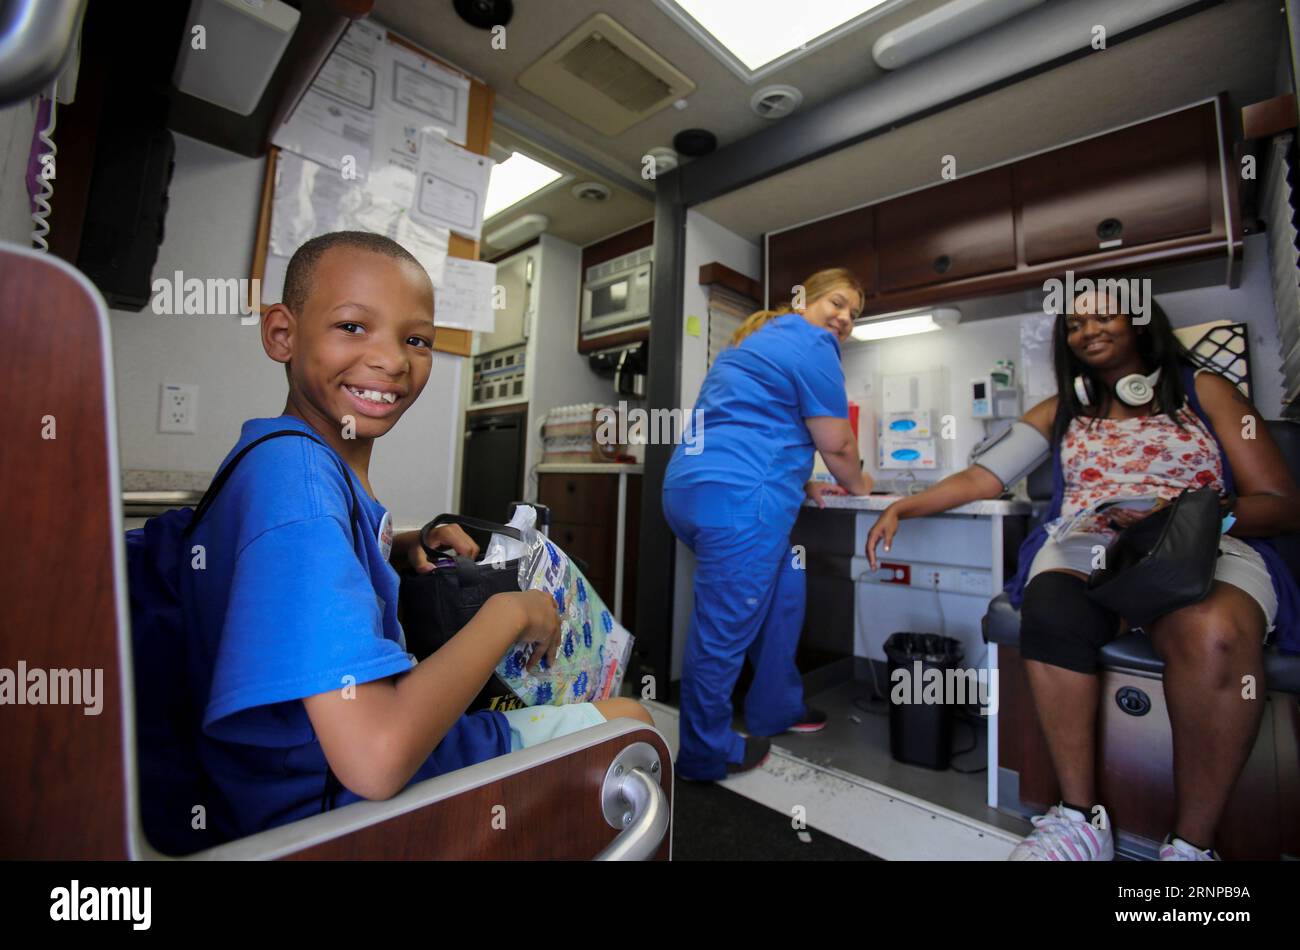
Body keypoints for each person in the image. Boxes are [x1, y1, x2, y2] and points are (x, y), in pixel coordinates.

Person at [177, 231, 651, 843]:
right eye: (352, 326)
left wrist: (389, 544)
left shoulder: (280, 457)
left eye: (416, 339)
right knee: (632, 722)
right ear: (282, 333)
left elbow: (295, 562)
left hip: (262, 772)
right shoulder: (303, 489)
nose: (393, 360)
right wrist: (511, 612)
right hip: (309, 804)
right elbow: (375, 758)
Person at [866, 288, 1300, 861]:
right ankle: (1077, 819)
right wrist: (904, 505)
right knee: (1050, 607)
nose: (1087, 330)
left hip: (1200, 542)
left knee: (1213, 631)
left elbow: (1279, 502)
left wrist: (1182, 515)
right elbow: (985, 477)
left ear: (1141, 321)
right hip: (1089, 544)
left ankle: (1192, 848)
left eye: (1103, 315)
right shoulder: (1060, 410)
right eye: (1074, 323)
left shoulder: (1207, 391)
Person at [662, 268, 873, 781]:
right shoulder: (813, 345)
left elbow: (750, 424)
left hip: (693, 489)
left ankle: (775, 706)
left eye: (854, 313)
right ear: (808, 299)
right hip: (739, 503)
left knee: (786, 582)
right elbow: (839, 445)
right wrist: (866, 486)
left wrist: (802, 485)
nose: (844, 318)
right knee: (721, 632)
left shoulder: (751, 345)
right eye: (838, 303)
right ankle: (704, 754)